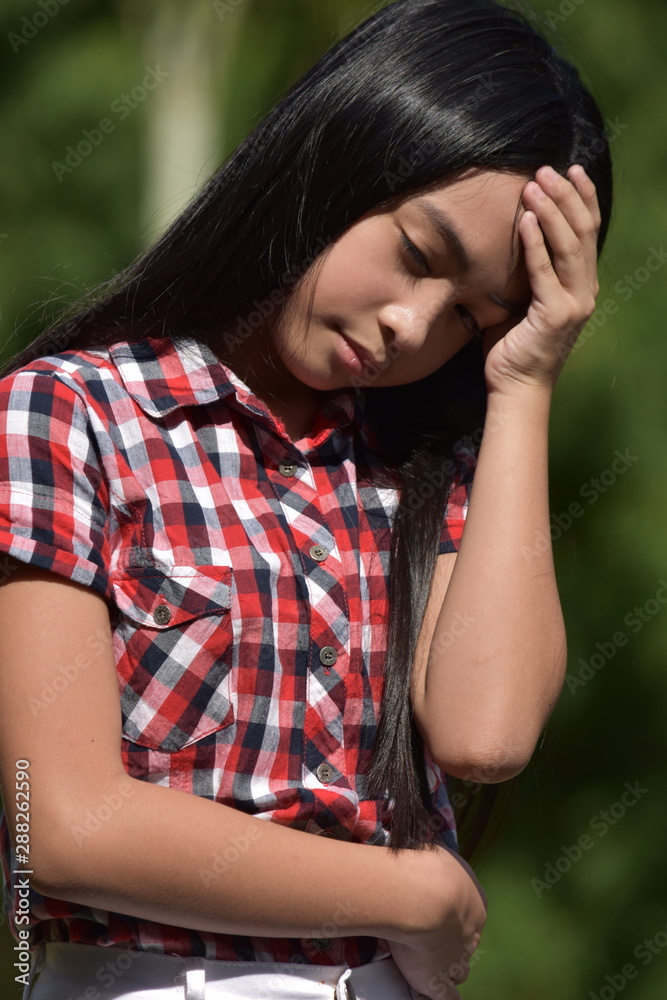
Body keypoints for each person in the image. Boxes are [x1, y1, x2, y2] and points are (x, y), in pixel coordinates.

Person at [0, 0, 613, 997]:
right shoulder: (71, 416)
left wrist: (526, 379)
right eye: (417, 255)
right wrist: (406, 893)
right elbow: (61, 826)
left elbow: (485, 736)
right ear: (337, 158)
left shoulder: (422, 468)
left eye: (469, 316)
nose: (412, 325)